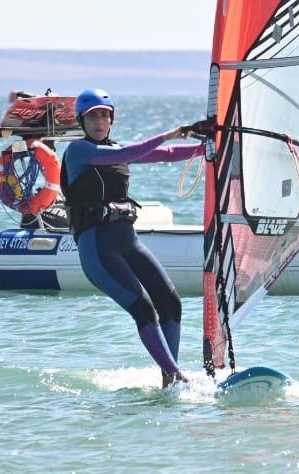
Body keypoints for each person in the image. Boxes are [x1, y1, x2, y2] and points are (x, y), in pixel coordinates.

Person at [60, 88, 203, 387]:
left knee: (171, 303)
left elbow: (165, 155)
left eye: (104, 116)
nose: (99, 122)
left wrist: (204, 149)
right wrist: (169, 134)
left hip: (128, 243)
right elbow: (125, 155)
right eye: (92, 117)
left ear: (111, 120)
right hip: (98, 250)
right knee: (143, 309)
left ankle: (169, 377)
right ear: (81, 122)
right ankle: (176, 375)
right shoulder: (78, 151)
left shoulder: (116, 147)